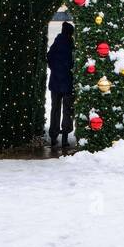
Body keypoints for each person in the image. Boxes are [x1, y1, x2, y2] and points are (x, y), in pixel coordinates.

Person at [46, 21, 74, 150]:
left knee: (55, 109)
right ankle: (64, 138)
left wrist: (55, 70)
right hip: (67, 82)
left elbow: (49, 57)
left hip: (55, 82)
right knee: (67, 110)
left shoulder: (56, 43)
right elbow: (73, 62)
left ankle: (53, 137)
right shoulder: (71, 45)